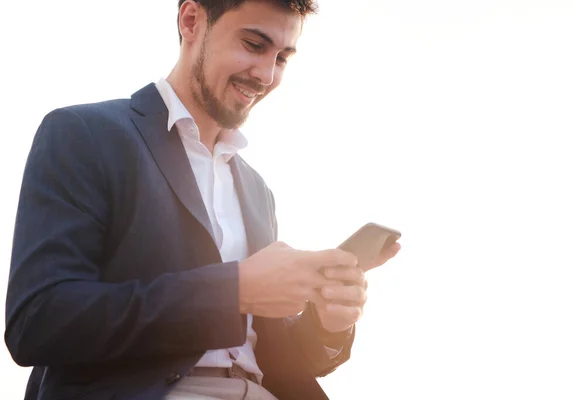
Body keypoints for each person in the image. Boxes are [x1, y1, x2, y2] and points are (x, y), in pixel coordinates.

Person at [4, 0, 401, 399]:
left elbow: (268, 357)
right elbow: (38, 321)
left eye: (281, 58)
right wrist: (234, 291)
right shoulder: (86, 134)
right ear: (192, 21)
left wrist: (326, 322)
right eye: (252, 44)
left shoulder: (256, 190)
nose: (265, 74)